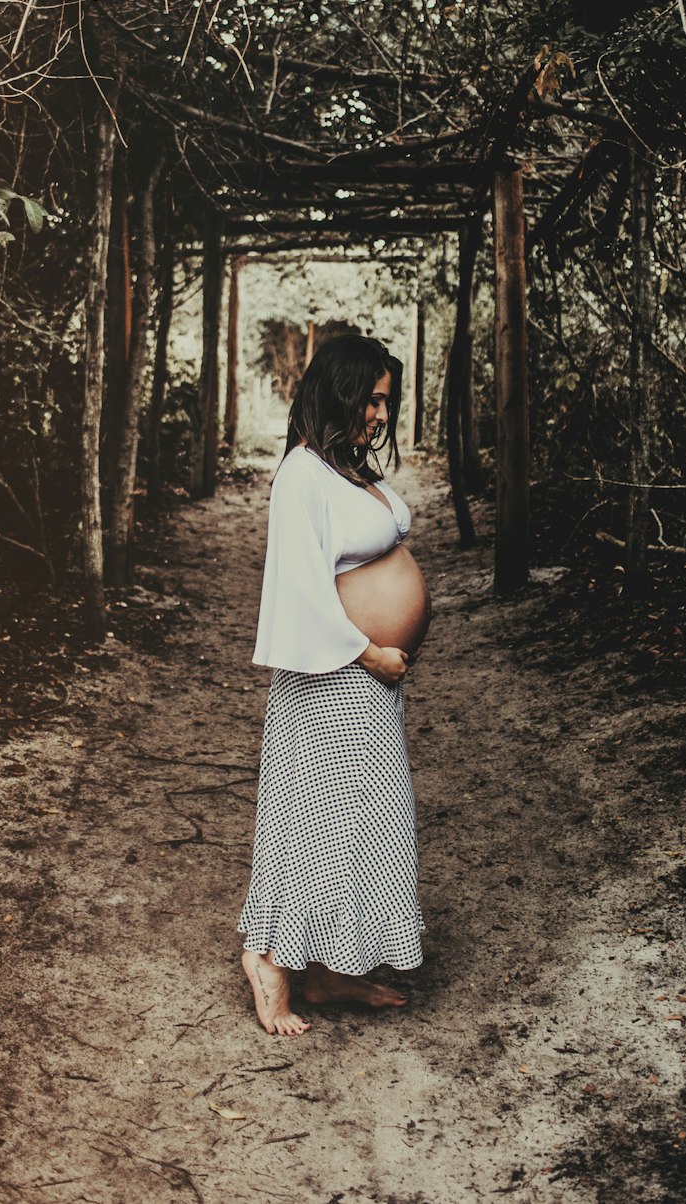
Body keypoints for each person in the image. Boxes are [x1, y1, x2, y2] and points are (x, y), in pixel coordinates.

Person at [238, 333, 432, 1036]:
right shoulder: (302, 474)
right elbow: (299, 588)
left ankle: (323, 971)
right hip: (336, 675)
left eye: (386, 401)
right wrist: (367, 652)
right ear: (340, 391)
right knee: (316, 822)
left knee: (360, 824)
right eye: (372, 398)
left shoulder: (345, 469)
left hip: (367, 681)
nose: (380, 414)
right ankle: (269, 959)